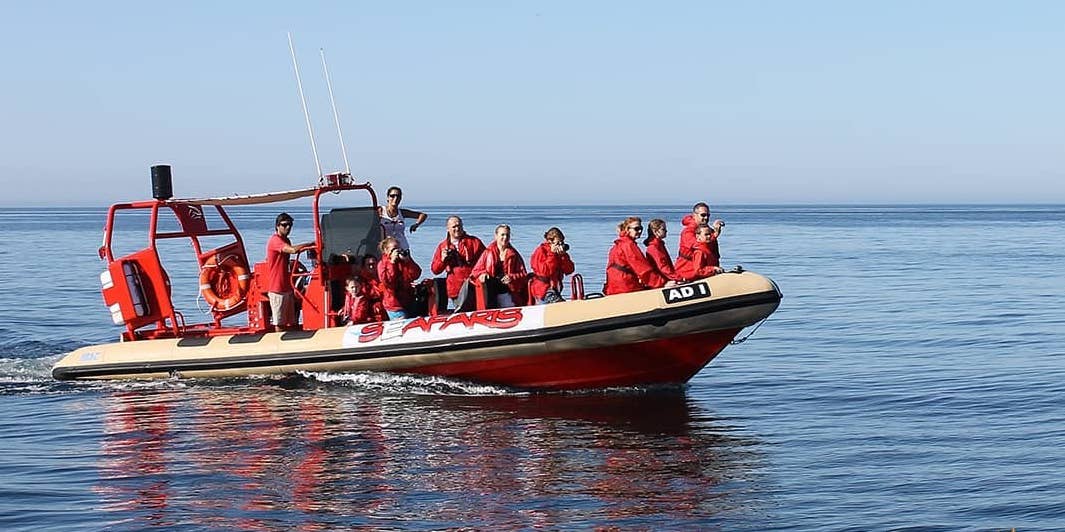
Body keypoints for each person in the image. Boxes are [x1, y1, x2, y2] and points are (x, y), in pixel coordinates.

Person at [265, 213, 314, 329]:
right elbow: (292, 250)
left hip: (287, 287)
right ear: (277, 226)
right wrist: (310, 244)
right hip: (277, 288)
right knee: (280, 322)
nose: (288, 228)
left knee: (291, 321)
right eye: (284, 225)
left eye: (290, 225)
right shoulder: (275, 240)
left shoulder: (286, 240)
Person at [604, 217, 672, 295]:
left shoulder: (616, 246)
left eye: (641, 228)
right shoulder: (629, 245)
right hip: (626, 287)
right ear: (627, 229)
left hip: (613, 288)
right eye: (636, 229)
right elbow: (643, 269)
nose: (639, 231)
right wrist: (662, 283)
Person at [430, 216, 486, 306]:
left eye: (459, 226)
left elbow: (486, 260)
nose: (457, 229)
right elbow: (435, 270)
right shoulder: (443, 246)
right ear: (448, 229)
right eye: (454, 227)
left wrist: (483, 273)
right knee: (462, 310)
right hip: (456, 288)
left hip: (474, 285)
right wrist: (442, 259)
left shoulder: (474, 242)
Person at [471, 224, 528, 308]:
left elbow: (523, 274)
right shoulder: (488, 252)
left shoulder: (514, 254)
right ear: (496, 236)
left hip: (507, 289)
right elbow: (475, 272)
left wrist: (511, 277)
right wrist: (482, 273)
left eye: (507, 235)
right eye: (502, 235)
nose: (505, 237)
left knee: (507, 304)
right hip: (491, 291)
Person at [377, 236, 422, 320]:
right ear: (386, 251)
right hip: (393, 304)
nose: (397, 251)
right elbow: (387, 282)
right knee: (402, 321)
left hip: (408, 300)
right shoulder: (382, 264)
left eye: (398, 248)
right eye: (394, 249)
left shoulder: (404, 261)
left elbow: (416, 274)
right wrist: (392, 263)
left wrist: (408, 262)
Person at [529, 227, 574, 304]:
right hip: (543, 290)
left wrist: (563, 256)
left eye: (561, 243)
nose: (560, 245)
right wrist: (552, 254)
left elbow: (569, 270)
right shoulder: (541, 251)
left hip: (555, 289)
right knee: (558, 305)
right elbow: (544, 272)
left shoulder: (560, 254)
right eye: (558, 243)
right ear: (550, 241)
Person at [378, 186, 427, 252]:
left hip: (403, 248)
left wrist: (416, 224)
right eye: (392, 196)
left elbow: (423, 215)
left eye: (398, 196)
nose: (395, 198)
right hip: (387, 249)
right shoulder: (380, 211)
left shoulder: (402, 212)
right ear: (388, 198)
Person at [358, 254, 388, 322]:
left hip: (384, 308)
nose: (371, 266)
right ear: (364, 266)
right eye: (369, 265)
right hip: (368, 311)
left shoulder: (383, 277)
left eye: (373, 264)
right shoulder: (360, 281)